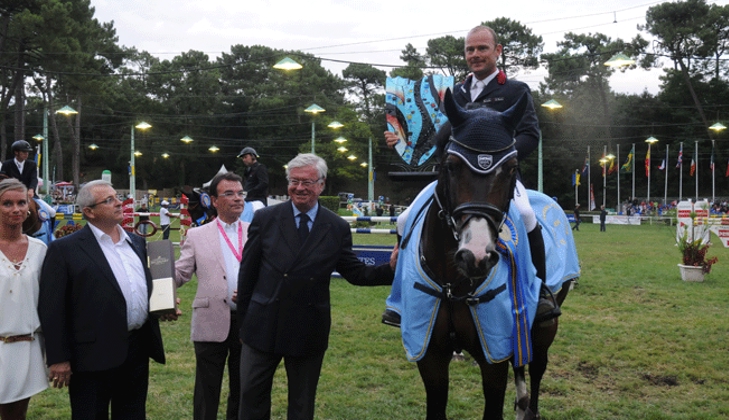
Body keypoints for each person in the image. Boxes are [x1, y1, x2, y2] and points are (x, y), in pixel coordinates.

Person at [383, 25, 558, 327]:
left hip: (497, 179)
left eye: (482, 49)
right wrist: (404, 142)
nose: (475, 55)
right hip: (459, 179)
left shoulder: (515, 91)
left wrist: (501, 159)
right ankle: (398, 299)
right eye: (470, 50)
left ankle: (540, 291)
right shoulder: (456, 93)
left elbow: (530, 135)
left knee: (527, 214)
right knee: (404, 219)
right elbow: (440, 137)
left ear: (497, 51)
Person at [236, 153, 395, 420]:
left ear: (321, 185)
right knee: (251, 398)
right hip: (262, 326)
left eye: (307, 182)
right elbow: (247, 275)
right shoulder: (265, 219)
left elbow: (355, 273)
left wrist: (392, 269)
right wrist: (244, 323)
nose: (300, 188)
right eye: (294, 181)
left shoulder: (336, 226)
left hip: (308, 327)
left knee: (302, 404)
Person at [37, 180, 167, 420]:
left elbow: (138, 288)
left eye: (116, 196)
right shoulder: (65, 250)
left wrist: (161, 306)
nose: (119, 203)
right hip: (91, 355)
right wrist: (58, 358)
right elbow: (52, 307)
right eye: (108, 200)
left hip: (136, 349)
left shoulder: (136, 242)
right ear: (89, 212)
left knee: (132, 414)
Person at [175, 172, 249, 420]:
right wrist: (159, 278)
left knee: (243, 389)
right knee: (207, 391)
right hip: (210, 320)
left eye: (240, 193)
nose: (237, 198)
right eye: (229, 193)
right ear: (213, 201)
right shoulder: (197, 235)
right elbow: (181, 273)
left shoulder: (256, 233)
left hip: (248, 322)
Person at [0, 179, 48, 420]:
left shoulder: (40, 250)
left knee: (16, 416)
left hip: (25, 347)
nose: (16, 209)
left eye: (21, 202)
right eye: (7, 203)